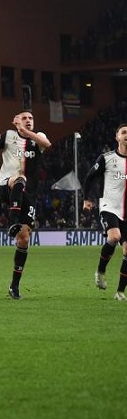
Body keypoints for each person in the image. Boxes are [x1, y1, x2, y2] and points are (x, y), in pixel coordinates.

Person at [0, 110, 50, 299]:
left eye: (31, 118)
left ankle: (14, 286)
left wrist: (27, 133)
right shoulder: (8, 136)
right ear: (15, 121)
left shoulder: (38, 138)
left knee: (24, 239)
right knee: (19, 178)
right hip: (7, 185)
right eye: (24, 118)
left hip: (29, 196)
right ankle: (11, 221)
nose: (28, 121)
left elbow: (47, 145)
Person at [83, 123, 127, 300]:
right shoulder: (107, 158)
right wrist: (86, 199)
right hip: (109, 207)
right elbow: (89, 177)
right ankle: (101, 271)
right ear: (117, 137)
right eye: (123, 132)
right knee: (114, 237)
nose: (126, 135)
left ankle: (120, 292)